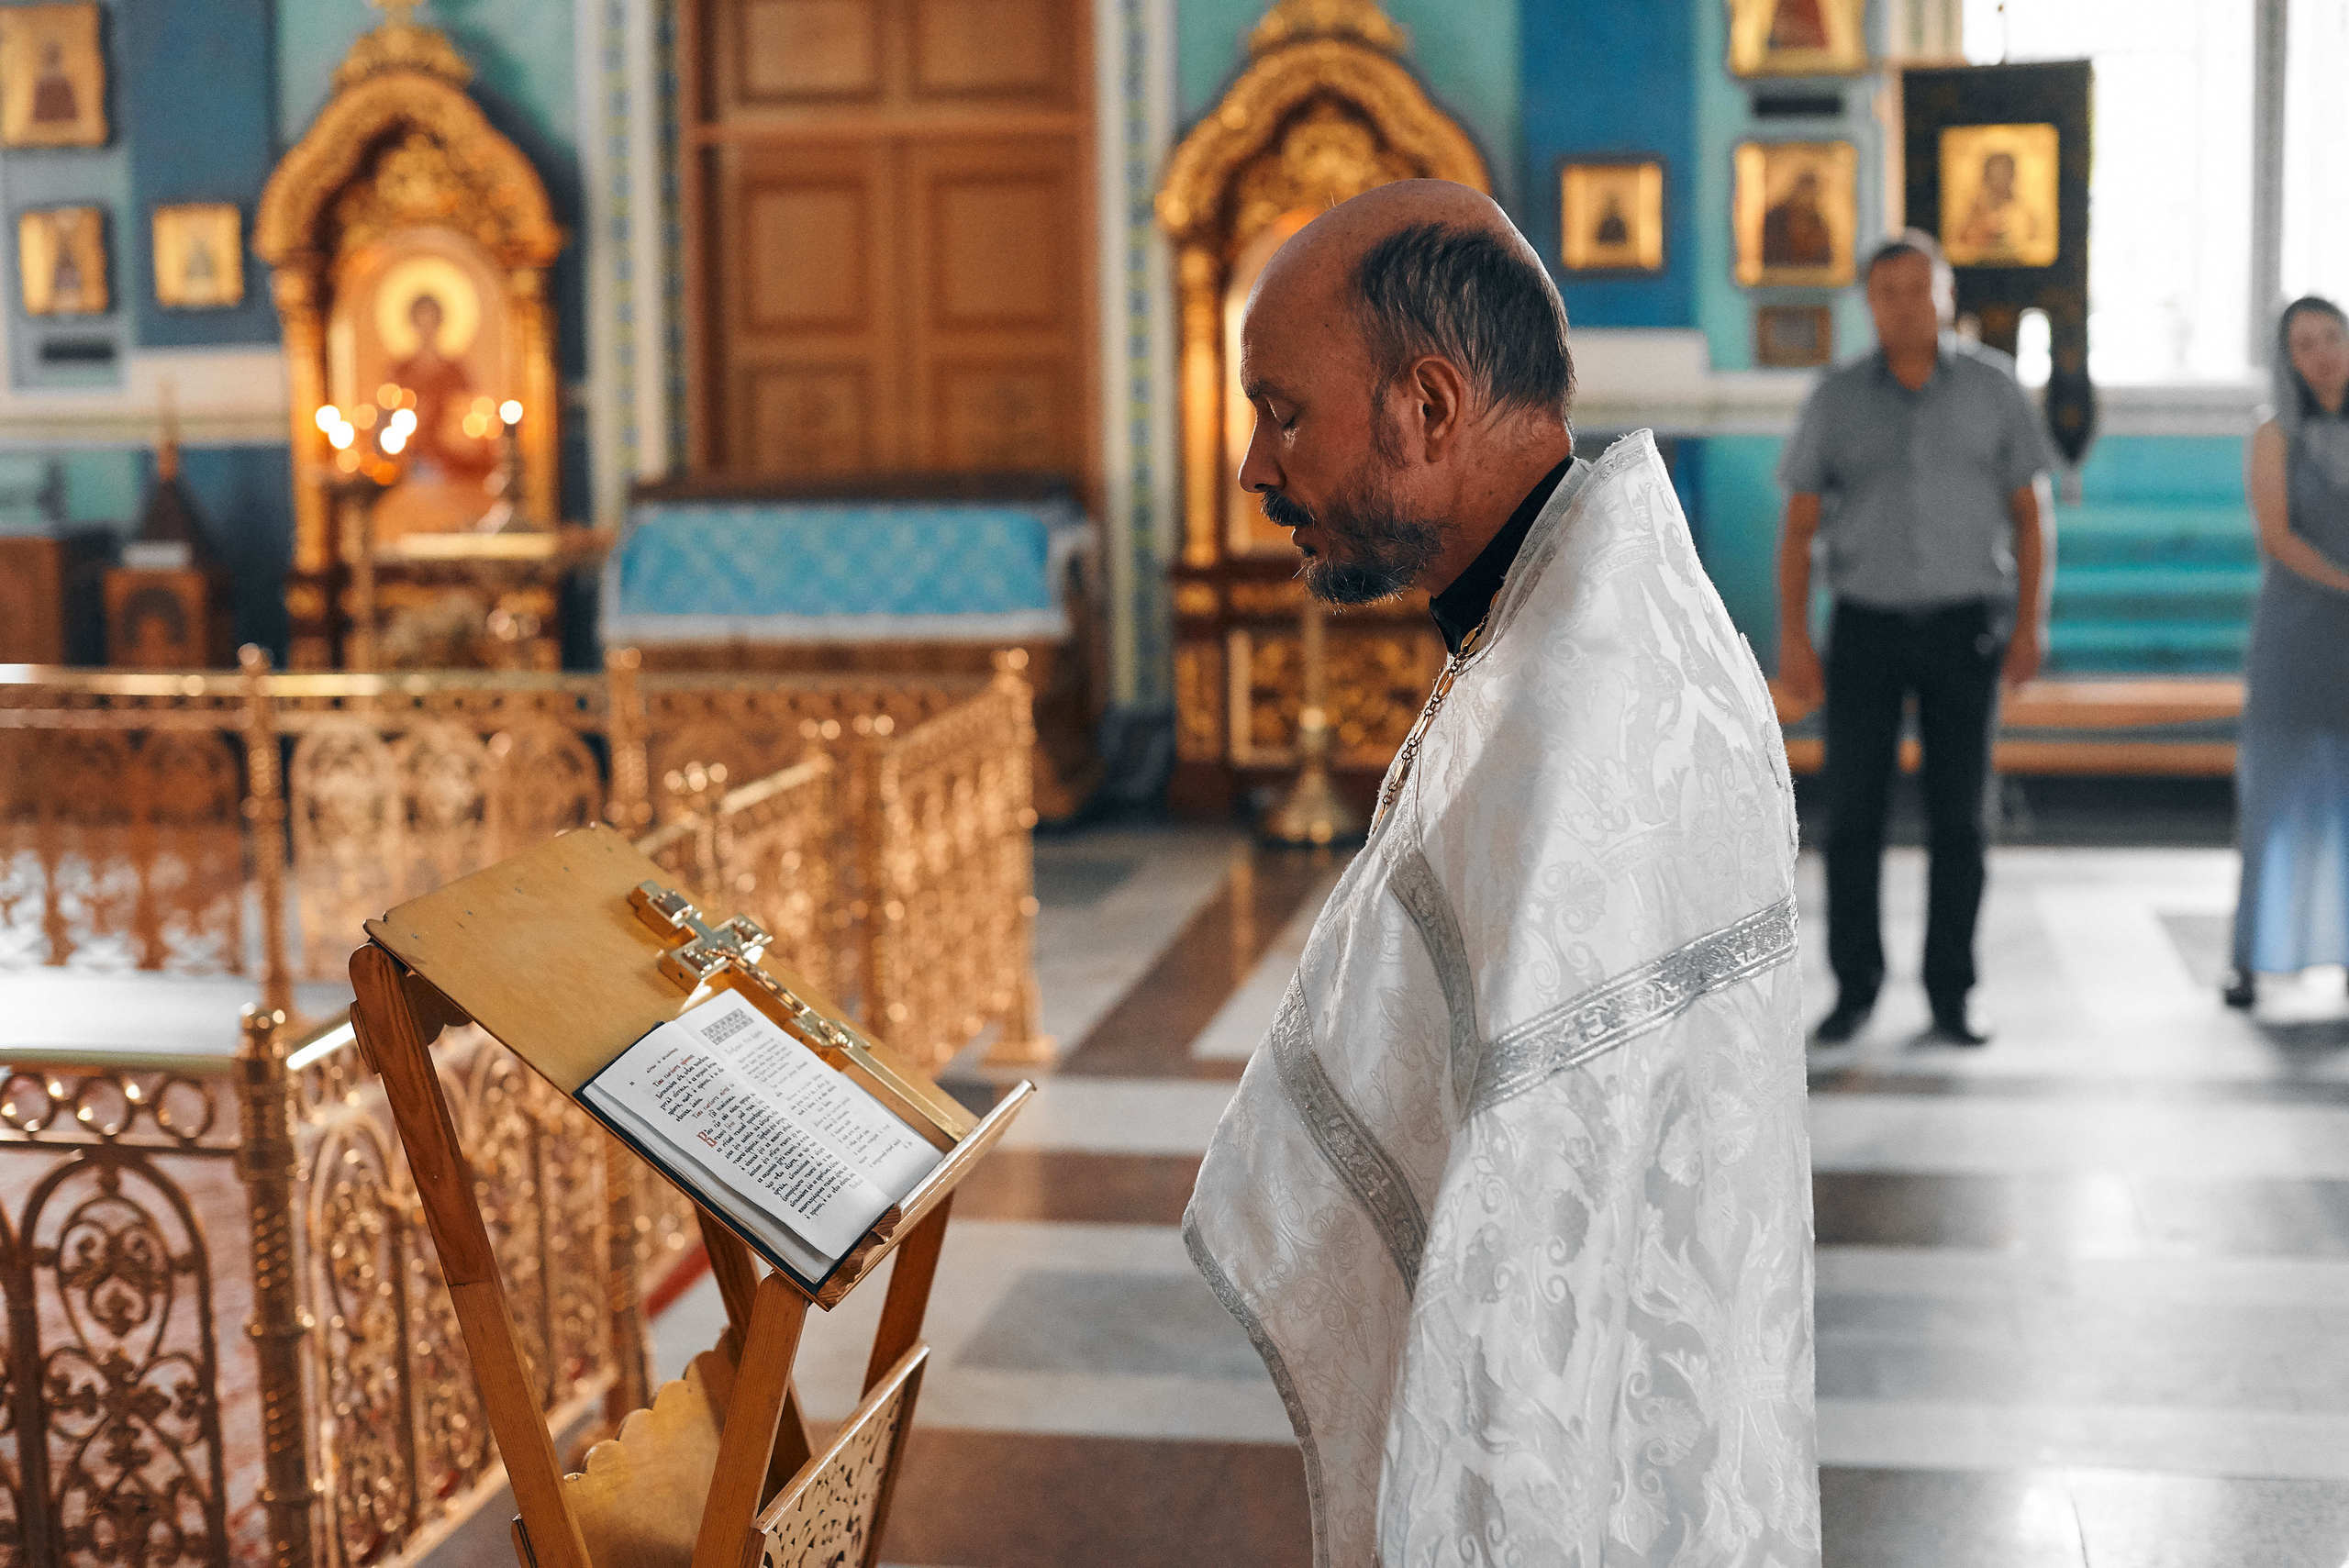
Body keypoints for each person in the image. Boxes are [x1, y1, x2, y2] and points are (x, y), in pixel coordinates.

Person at [1186, 180, 1819, 1566]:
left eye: (1284, 411)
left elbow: (1525, 1274)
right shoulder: (1577, 622)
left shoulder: (1580, 723)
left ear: (1426, 405)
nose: (1254, 468)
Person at [1776, 231, 2054, 1047]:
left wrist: (2031, 622)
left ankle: (1952, 990)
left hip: (1968, 626)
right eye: (1888, 290)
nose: (1906, 304)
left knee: (1961, 818)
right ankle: (1854, 986)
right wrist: (1794, 636)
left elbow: (2033, 519)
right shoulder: (1835, 398)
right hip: (1863, 628)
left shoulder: (1995, 390)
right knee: (1853, 815)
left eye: (1920, 288)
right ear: (1869, 302)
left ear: (1948, 295)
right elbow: (1798, 530)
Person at [2226, 295, 2349, 1008]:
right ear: (2288, 358)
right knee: (2275, 794)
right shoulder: (2273, 433)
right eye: (2305, 343)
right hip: (2299, 631)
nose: (2322, 353)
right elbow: (2278, 536)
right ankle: (2251, 955)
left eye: (2331, 337)